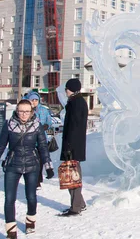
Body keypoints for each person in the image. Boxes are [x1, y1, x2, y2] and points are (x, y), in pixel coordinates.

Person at [0, 99, 54, 238]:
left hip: (32, 165)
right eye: (21, 111)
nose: (24, 114)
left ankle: (30, 222)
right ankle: (11, 230)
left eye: (27, 111)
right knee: (9, 198)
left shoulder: (37, 125)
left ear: (31, 112)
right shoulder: (9, 124)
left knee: (31, 196)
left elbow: (43, 147)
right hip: (13, 164)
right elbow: (1, 145)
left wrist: (48, 166)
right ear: (17, 111)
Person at [59, 78, 88, 217]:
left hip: (72, 147)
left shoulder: (76, 103)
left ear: (71, 89)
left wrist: (69, 146)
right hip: (74, 146)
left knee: (72, 176)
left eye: (66, 88)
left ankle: (76, 207)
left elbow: (74, 127)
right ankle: (79, 203)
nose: (65, 91)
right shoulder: (77, 102)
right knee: (71, 175)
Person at [26, 92, 52, 189]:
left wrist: (46, 126)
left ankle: (38, 177)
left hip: (42, 138)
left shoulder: (44, 110)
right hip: (30, 138)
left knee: (41, 159)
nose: (34, 102)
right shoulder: (27, 110)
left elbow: (49, 122)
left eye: (36, 100)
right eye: (32, 100)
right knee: (33, 159)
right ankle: (35, 180)